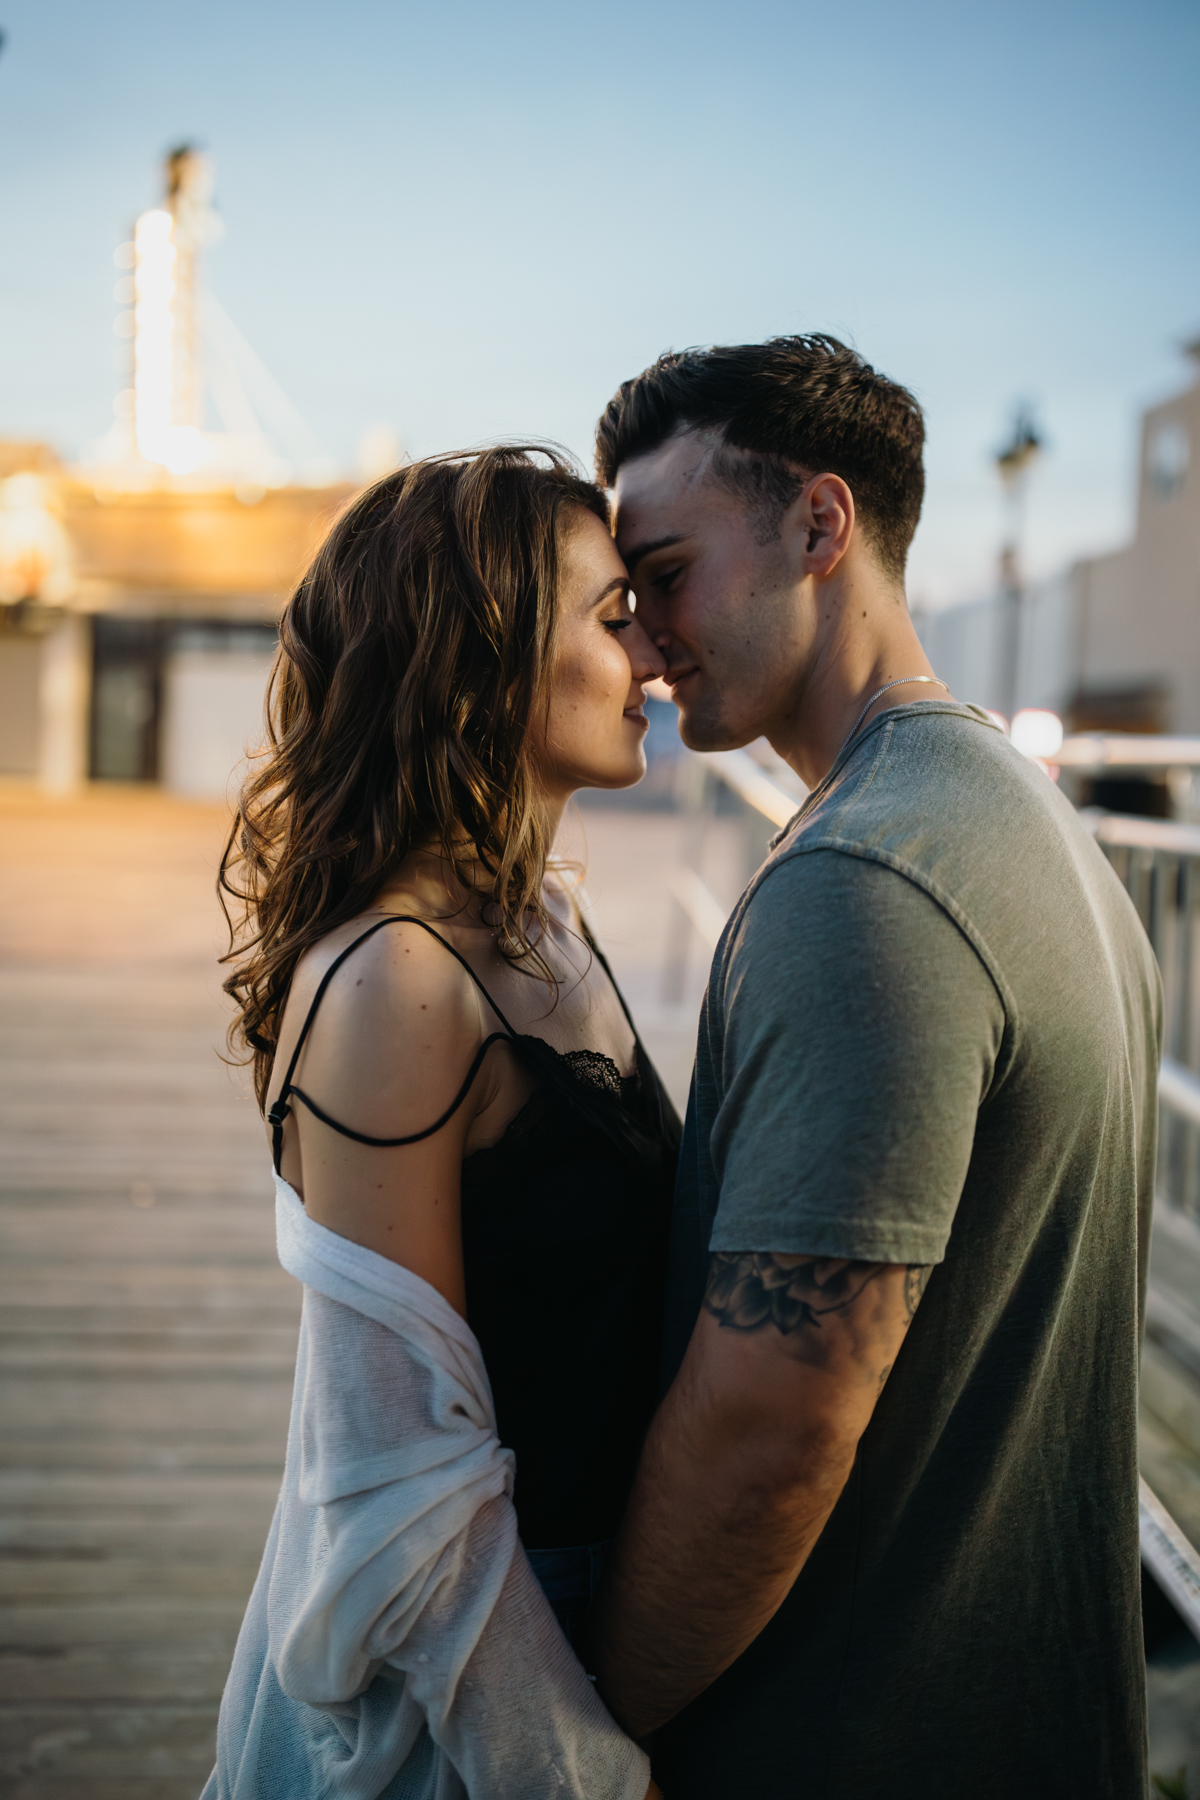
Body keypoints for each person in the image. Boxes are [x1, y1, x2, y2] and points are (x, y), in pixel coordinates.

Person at [587, 335, 1161, 1796]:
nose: (644, 639)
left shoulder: (865, 883)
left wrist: (599, 1728)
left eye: (664, 572)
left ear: (820, 527)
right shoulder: (1028, 827)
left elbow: (774, 1426)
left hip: (856, 1742)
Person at [203, 447, 673, 1800]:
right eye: (610, 613)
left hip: (590, 1625)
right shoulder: (395, 983)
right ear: (481, 651)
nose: (652, 651)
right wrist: (592, 1780)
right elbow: (396, 1492)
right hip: (462, 1715)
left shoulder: (538, 922)